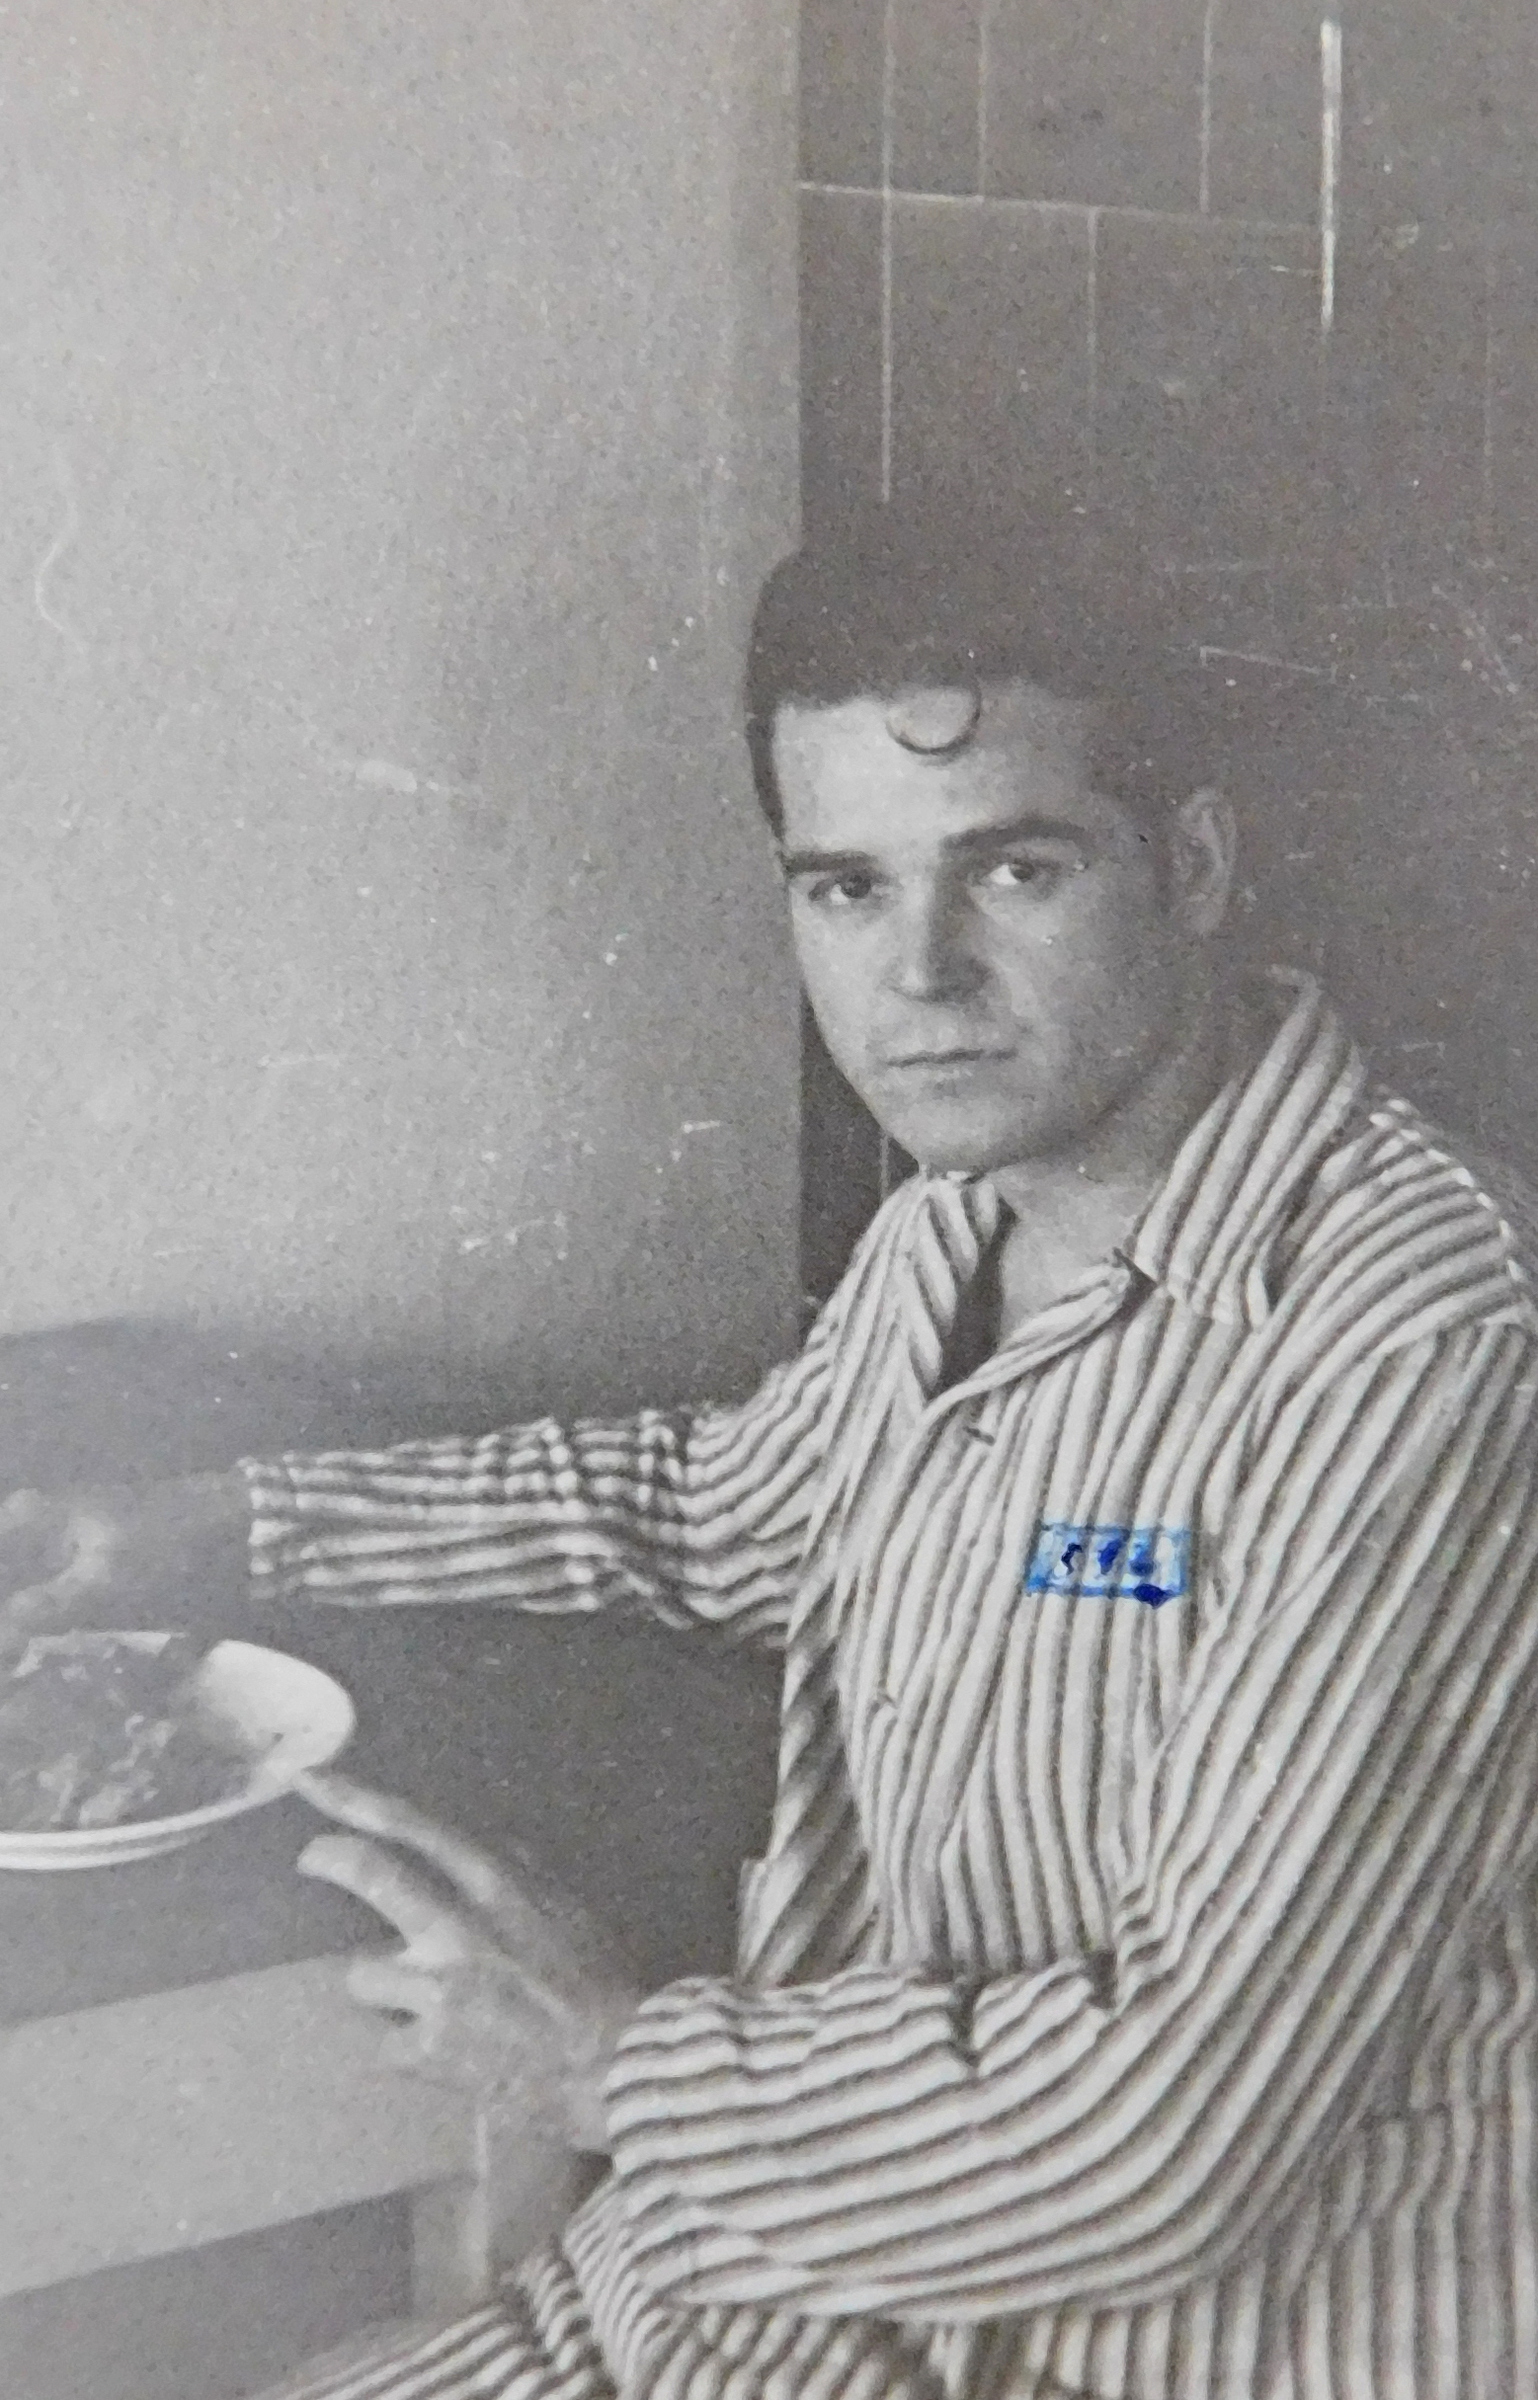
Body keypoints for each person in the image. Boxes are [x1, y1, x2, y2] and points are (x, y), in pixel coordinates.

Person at [5, 520, 1538, 2400]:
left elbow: (1171, 2136)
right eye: (846, 890)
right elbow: (724, 1511)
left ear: (1195, 865)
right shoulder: (965, 1218)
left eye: (1016, 869)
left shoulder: (1416, 1340)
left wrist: (611, 2061)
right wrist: (210, 1530)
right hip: (770, 2300)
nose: (920, 976)